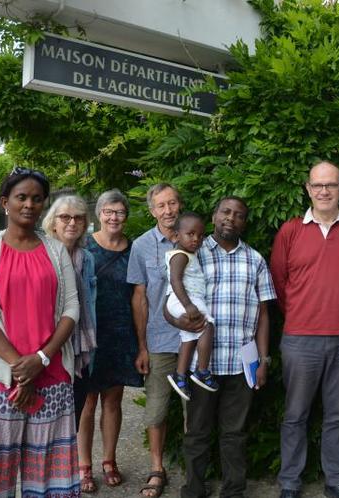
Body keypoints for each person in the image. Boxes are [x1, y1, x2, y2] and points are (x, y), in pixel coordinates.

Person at [0, 167, 80, 497]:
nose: (29, 204)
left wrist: (40, 359)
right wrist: (21, 368)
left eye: (37, 199)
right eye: (21, 197)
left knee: (48, 475)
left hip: (51, 376)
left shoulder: (56, 251)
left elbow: (72, 309)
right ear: (5, 202)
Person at [270, 161, 339, 498]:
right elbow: (279, 283)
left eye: (331, 185)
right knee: (295, 414)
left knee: (337, 416)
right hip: (299, 339)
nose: (324, 191)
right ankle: (289, 482)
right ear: (308, 189)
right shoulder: (290, 231)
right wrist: (302, 315)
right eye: (318, 185)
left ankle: (337, 481)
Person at [165, 196, 276, 498]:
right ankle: (194, 489)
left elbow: (264, 314)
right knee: (197, 432)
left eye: (239, 215)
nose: (231, 218)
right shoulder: (192, 254)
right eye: (225, 212)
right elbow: (168, 302)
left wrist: (263, 359)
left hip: (241, 364)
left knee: (235, 433)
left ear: (244, 222)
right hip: (204, 367)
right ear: (214, 216)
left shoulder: (255, 260)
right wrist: (179, 323)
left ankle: (233, 491)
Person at [80, 189, 144, 489]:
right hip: (90, 334)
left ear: (126, 215)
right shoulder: (84, 248)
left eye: (119, 211)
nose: (114, 217)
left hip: (121, 333)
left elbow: (139, 297)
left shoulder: (135, 250)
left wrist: (141, 343)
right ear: (99, 214)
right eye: (108, 211)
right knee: (87, 403)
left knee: (113, 402)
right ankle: (83, 466)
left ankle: (109, 460)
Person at [127, 183, 182, 497]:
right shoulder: (142, 245)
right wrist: (142, 346)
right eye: (161, 205)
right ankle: (156, 469)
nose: (168, 210)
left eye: (172, 203)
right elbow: (140, 298)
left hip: (192, 341)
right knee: (157, 410)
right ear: (152, 211)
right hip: (159, 340)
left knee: (195, 410)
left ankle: (194, 469)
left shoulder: (195, 238)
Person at [42, 195, 99, 493]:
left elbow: (90, 304)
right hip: (48, 350)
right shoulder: (42, 253)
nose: (72, 222)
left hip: (80, 350)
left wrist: (89, 345)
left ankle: (62, 483)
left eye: (78, 217)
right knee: (44, 424)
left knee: (71, 421)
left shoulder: (87, 257)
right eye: (65, 217)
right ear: (52, 221)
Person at [165, 211, 217, 400]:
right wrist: (188, 305)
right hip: (184, 299)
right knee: (207, 326)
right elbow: (175, 281)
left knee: (189, 337)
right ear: (177, 235)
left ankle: (180, 375)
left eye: (200, 235)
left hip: (185, 299)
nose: (196, 239)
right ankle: (202, 370)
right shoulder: (180, 256)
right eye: (190, 234)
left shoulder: (187, 254)